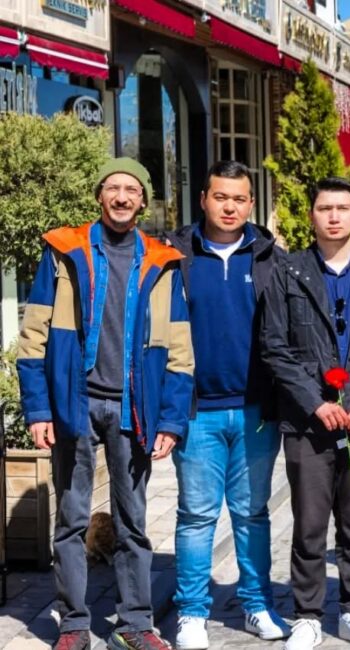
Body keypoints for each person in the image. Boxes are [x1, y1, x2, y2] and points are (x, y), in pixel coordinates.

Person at [17, 157, 194, 650]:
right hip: (74, 403)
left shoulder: (162, 262)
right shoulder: (64, 252)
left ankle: (135, 624)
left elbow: (180, 350)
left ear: (144, 200)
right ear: (100, 195)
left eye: (131, 189)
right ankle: (73, 624)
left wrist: (172, 419)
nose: (121, 197)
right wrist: (37, 409)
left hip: (133, 407)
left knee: (133, 521)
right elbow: (33, 336)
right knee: (71, 519)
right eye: (113, 188)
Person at [261, 177, 350, 650]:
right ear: (312, 215)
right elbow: (274, 347)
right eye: (325, 208)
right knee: (310, 520)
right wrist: (315, 402)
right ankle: (307, 614)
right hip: (308, 421)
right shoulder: (289, 272)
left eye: (343, 207)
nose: (334, 216)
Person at [167, 161, 288, 649]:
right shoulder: (176, 256)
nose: (230, 206)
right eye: (221, 197)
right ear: (203, 199)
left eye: (239, 198)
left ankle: (256, 605)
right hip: (196, 410)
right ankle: (192, 612)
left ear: (251, 204)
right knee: (195, 515)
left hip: (257, 409)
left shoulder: (268, 257)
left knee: (252, 513)